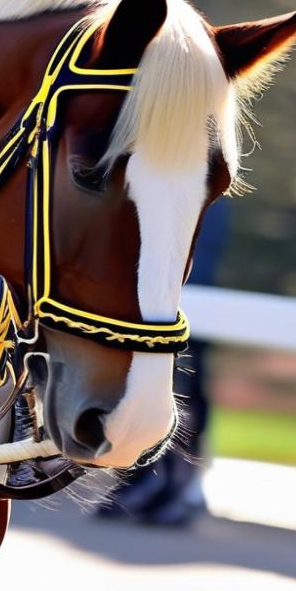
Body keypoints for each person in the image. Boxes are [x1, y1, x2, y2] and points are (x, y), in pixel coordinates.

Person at [97, 198, 229, 527]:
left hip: (185, 288)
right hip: (150, 283)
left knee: (183, 387)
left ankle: (178, 483)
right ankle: (140, 477)